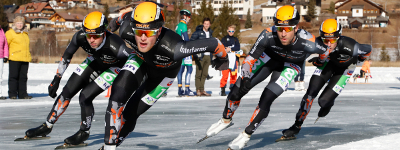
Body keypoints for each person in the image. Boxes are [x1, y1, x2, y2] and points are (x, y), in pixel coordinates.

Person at [199, 5, 331, 149]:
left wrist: (320, 61)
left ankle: (246, 134)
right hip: (269, 58)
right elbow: (249, 59)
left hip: (291, 65)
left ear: (296, 27)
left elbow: (325, 52)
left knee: (267, 97)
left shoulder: (310, 42)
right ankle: (225, 119)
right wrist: (246, 74)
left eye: (287, 29)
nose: (283, 34)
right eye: (280, 28)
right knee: (238, 88)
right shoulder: (268, 34)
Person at [102, 2, 228, 149]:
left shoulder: (176, 48)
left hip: (163, 75)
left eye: (148, 33)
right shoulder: (126, 29)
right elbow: (123, 17)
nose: (143, 38)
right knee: (117, 96)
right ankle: (108, 147)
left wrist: (223, 58)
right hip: (141, 60)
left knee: (131, 113)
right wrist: (114, 23)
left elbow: (214, 43)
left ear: (159, 30)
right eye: (138, 32)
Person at [23, 11, 133, 146]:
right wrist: (57, 78)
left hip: (114, 67)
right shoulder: (80, 37)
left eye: (95, 36)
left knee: (85, 96)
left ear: (104, 32)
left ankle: (84, 132)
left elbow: (136, 62)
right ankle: (47, 125)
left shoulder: (117, 46)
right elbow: (67, 56)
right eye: (89, 35)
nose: (91, 40)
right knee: (67, 91)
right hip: (96, 62)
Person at [280, 19, 372, 140]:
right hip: (328, 63)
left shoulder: (350, 45)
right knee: (310, 93)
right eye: (325, 40)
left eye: (332, 40)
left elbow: (368, 49)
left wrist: (359, 60)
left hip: (345, 69)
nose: (328, 44)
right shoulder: (317, 42)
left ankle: (329, 102)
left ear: (338, 37)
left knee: (323, 101)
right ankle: (297, 125)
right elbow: (302, 53)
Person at [5, 16, 32, 99]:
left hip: (25, 58)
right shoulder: (10, 33)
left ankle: (23, 94)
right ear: (14, 24)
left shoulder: (25, 33)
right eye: (18, 23)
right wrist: (5, 55)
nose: (19, 25)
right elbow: (6, 45)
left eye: (21, 23)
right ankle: (12, 94)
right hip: (15, 58)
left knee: (23, 77)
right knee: (13, 77)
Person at [190, 18, 213, 96]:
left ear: (209, 24)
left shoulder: (210, 33)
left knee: (205, 74)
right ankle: (198, 90)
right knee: (198, 73)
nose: (206, 25)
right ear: (203, 24)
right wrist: (196, 52)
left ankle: (202, 90)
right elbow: (191, 42)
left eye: (208, 24)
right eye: (205, 23)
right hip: (200, 56)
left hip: (208, 55)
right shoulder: (198, 32)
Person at [175, 9, 195, 96]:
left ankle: (180, 89)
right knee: (189, 69)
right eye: (189, 17)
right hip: (185, 50)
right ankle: (187, 89)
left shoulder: (178, 25)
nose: (190, 19)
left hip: (179, 49)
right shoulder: (183, 25)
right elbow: (186, 39)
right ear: (185, 16)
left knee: (181, 70)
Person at [220, 24, 240, 96]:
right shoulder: (224, 39)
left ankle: (232, 89)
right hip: (226, 60)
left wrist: (231, 49)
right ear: (227, 31)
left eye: (232, 31)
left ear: (234, 31)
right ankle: (223, 89)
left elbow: (238, 47)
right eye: (230, 31)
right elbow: (222, 47)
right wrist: (226, 49)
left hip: (234, 60)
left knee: (233, 75)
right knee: (225, 75)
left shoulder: (235, 39)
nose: (231, 32)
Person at [0, 25, 8, 100]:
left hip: (0, 56)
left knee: (0, 76)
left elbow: (5, 44)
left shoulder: (1, 31)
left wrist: (6, 55)